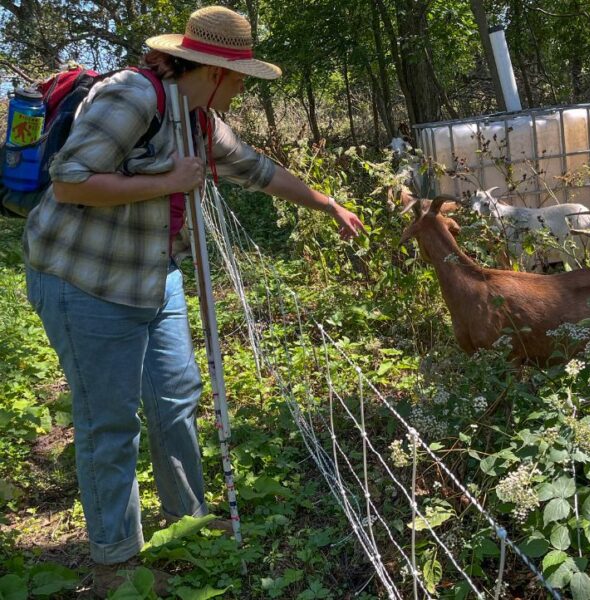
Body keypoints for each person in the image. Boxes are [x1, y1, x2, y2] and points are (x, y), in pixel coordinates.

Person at [23, 5, 365, 595]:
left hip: (155, 275)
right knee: (109, 423)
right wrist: (168, 182)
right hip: (87, 282)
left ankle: (187, 521)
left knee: (177, 395)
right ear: (216, 72)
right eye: (242, 80)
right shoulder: (133, 96)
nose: (243, 91)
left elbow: (257, 170)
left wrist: (326, 203)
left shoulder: (199, 118)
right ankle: (116, 564)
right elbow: (69, 179)